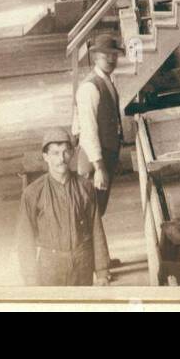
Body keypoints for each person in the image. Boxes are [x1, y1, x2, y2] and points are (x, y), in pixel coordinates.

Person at [15, 128, 110, 287]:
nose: (61, 159)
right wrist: (30, 279)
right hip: (50, 268)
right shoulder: (33, 193)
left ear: (72, 153)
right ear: (46, 157)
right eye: (55, 153)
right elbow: (25, 239)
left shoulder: (85, 187)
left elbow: (96, 230)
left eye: (66, 152)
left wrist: (102, 272)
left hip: (82, 265)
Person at [72, 34, 123, 216]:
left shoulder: (107, 80)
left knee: (97, 212)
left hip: (106, 155)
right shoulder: (90, 88)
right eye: (105, 55)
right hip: (94, 161)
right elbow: (88, 132)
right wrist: (99, 168)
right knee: (89, 213)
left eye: (114, 55)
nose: (111, 59)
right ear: (94, 57)